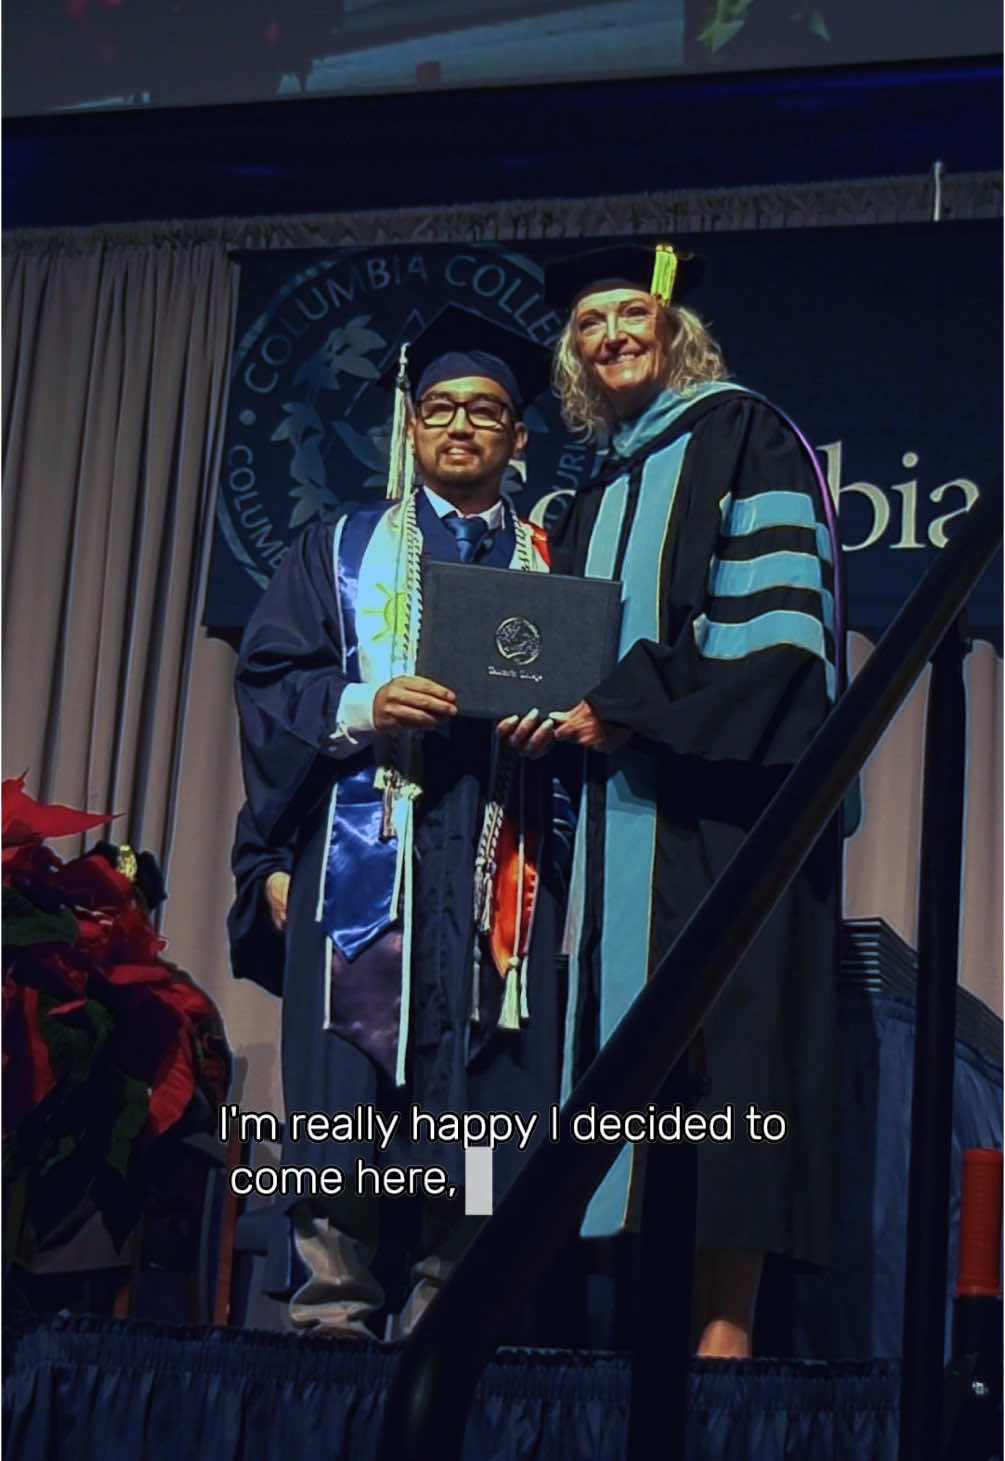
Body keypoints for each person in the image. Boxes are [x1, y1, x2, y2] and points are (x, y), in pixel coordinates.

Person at [233, 306, 565, 1339]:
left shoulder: (555, 558)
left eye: (487, 411)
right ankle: (332, 1308)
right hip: (361, 847)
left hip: (498, 855)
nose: (461, 426)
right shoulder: (336, 548)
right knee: (347, 1075)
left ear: (518, 439)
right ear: (412, 427)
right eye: (441, 408)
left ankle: (444, 1308)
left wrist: (558, 720)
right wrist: (361, 705)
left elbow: (597, 704)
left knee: (480, 1090)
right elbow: (271, 682)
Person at [542, 243, 842, 1358]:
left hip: (722, 818)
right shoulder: (586, 495)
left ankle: (727, 1346)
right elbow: (554, 663)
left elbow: (777, 648)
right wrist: (544, 710)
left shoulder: (744, 435)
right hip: (613, 826)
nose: (613, 333)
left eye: (633, 312)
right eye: (589, 323)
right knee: (616, 1073)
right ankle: (628, 1346)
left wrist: (625, 705)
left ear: (675, 329)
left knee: (732, 1068)